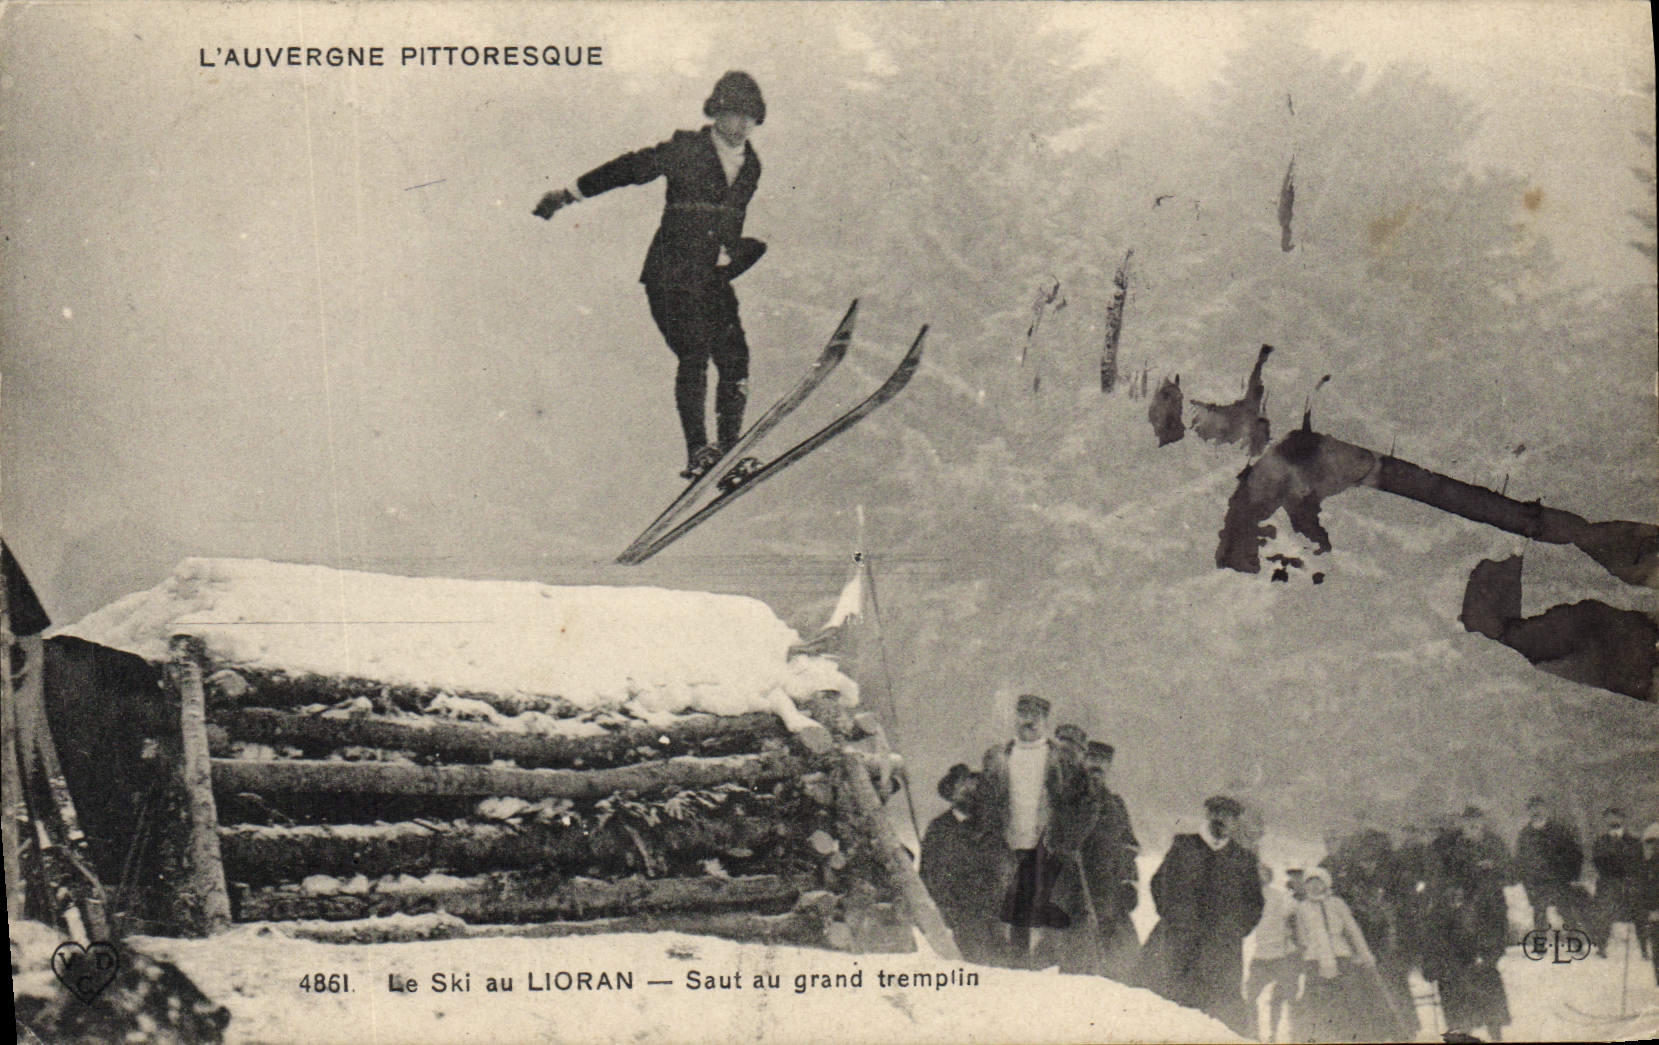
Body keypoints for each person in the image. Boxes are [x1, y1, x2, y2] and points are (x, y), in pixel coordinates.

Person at [534, 71, 770, 480]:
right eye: (735, 115)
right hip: (671, 276)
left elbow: (728, 222)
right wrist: (570, 193)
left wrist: (735, 252)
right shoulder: (687, 149)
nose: (743, 125)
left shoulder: (751, 166)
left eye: (752, 117)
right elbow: (630, 168)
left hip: (712, 280)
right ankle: (699, 450)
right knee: (694, 353)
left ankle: (729, 451)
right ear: (716, 113)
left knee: (735, 358)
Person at [1137, 795, 1265, 1038]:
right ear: (1207, 815)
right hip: (1177, 941)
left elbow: (1254, 904)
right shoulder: (1184, 846)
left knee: (1216, 1016)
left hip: (1220, 950)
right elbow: (1159, 884)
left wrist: (1233, 931)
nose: (1221, 820)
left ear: (1235, 823)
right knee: (1159, 1006)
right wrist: (1175, 918)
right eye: (1216, 814)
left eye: (1228, 817)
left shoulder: (1243, 859)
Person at [979, 694, 1088, 968]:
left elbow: (1083, 804)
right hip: (1007, 845)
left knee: (1047, 919)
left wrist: (1068, 840)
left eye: (1035, 717)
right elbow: (985, 802)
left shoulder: (1063, 758)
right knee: (1008, 917)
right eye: (1022, 715)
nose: (1028, 722)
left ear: (1045, 721)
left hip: (1048, 846)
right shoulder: (997, 757)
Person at [1042, 739, 1142, 978]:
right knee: (1072, 958)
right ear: (1084, 761)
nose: (1097, 765)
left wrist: (1130, 883)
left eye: (1104, 761)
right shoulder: (1067, 797)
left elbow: (1128, 848)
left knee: (1124, 962)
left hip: (1108, 892)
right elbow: (1058, 840)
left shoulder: (1116, 804)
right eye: (1093, 759)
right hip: (1073, 887)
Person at [1426, 808, 1512, 1041]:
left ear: (1483, 823)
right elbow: (1441, 880)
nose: (1472, 827)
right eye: (1467, 823)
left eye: (1476, 823)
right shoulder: (1451, 848)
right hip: (1458, 920)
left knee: (1487, 978)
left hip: (1488, 916)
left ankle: (1496, 1033)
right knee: (1457, 985)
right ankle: (1466, 1030)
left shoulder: (1494, 843)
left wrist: (1492, 869)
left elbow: (1510, 873)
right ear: (1461, 824)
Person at [1291, 866, 1402, 1043]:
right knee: (1318, 1004)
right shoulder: (1302, 908)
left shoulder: (1337, 903)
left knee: (1351, 1000)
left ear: (1325, 884)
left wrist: (1365, 955)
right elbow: (1302, 938)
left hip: (1341, 956)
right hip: (1315, 960)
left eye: (1318, 882)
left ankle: (1358, 1037)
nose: (1314, 887)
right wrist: (1311, 955)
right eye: (1309, 883)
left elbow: (1353, 931)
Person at [918, 764, 1002, 964]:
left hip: (986, 913)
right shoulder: (938, 828)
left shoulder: (991, 828)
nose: (968, 795)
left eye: (973, 790)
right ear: (951, 795)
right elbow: (927, 873)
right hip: (951, 913)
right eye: (961, 790)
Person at [1244, 865, 1302, 1043]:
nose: (1261, 878)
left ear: (1270, 877)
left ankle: (1283, 1034)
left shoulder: (1278, 895)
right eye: (1257, 874)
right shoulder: (1248, 898)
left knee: (1286, 997)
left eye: (1265, 874)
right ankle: (1254, 1033)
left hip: (1283, 954)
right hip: (1261, 954)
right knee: (1250, 995)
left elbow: (1294, 909)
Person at [1514, 796, 1587, 934]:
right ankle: (1540, 945)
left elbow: (1575, 854)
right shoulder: (1525, 835)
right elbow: (1520, 861)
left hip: (1559, 880)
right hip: (1537, 882)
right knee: (1539, 914)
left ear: (1546, 810)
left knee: (1566, 912)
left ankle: (1575, 942)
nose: (1537, 812)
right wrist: (1526, 882)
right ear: (1528, 812)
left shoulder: (1559, 830)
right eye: (1533, 809)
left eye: (1539, 808)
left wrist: (1572, 876)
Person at [1589, 806, 1643, 957]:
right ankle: (1602, 946)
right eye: (1610, 817)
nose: (1614, 820)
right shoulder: (1601, 841)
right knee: (1603, 910)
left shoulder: (1634, 841)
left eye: (1617, 817)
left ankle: (1644, 947)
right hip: (1608, 882)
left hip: (1629, 883)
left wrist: (1628, 876)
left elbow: (1638, 862)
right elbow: (1598, 862)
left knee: (1640, 909)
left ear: (1622, 819)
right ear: (1606, 820)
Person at [1638, 822, 1659, 982]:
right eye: (1650, 843)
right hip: (1654, 914)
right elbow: (1645, 890)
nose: (1652, 847)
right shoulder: (1647, 865)